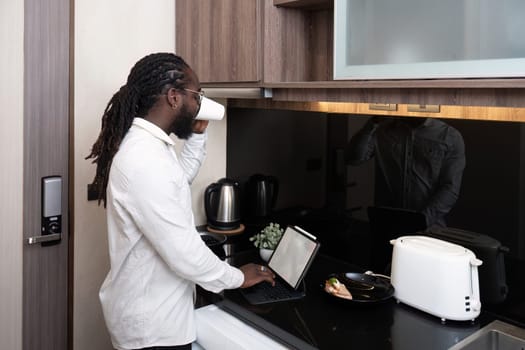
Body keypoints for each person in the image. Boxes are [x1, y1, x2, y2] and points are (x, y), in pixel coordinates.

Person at [86, 53, 274, 350]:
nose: (199, 104)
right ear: (174, 97)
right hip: (153, 330)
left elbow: (176, 182)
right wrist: (238, 277)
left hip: (154, 316)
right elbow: (184, 254)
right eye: (197, 95)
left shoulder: (149, 148)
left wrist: (197, 136)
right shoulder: (145, 160)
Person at [346, 116, 466, 228]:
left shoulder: (449, 136)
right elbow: (353, 158)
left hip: (429, 228)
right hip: (385, 224)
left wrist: (422, 220)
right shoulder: (382, 130)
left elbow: (450, 187)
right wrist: (372, 123)